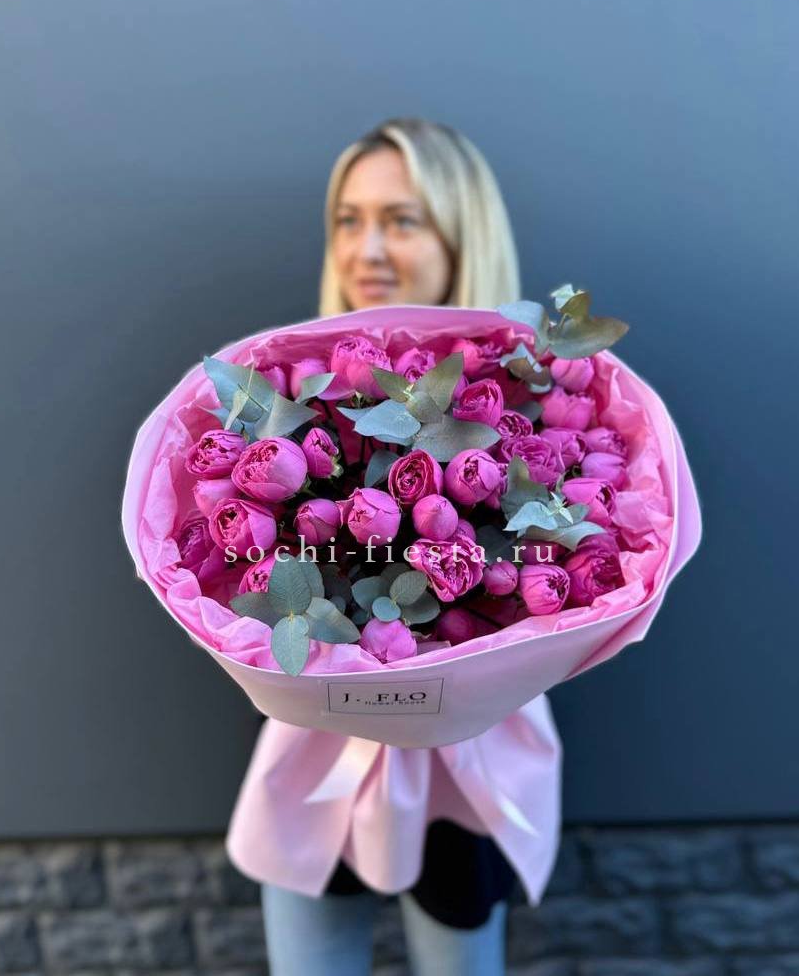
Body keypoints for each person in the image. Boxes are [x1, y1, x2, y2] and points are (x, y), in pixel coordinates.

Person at [258, 117, 527, 976]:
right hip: (319, 744)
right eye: (349, 218)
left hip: (468, 755)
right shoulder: (295, 405)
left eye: (402, 220)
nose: (366, 247)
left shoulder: (524, 400)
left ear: (459, 234)